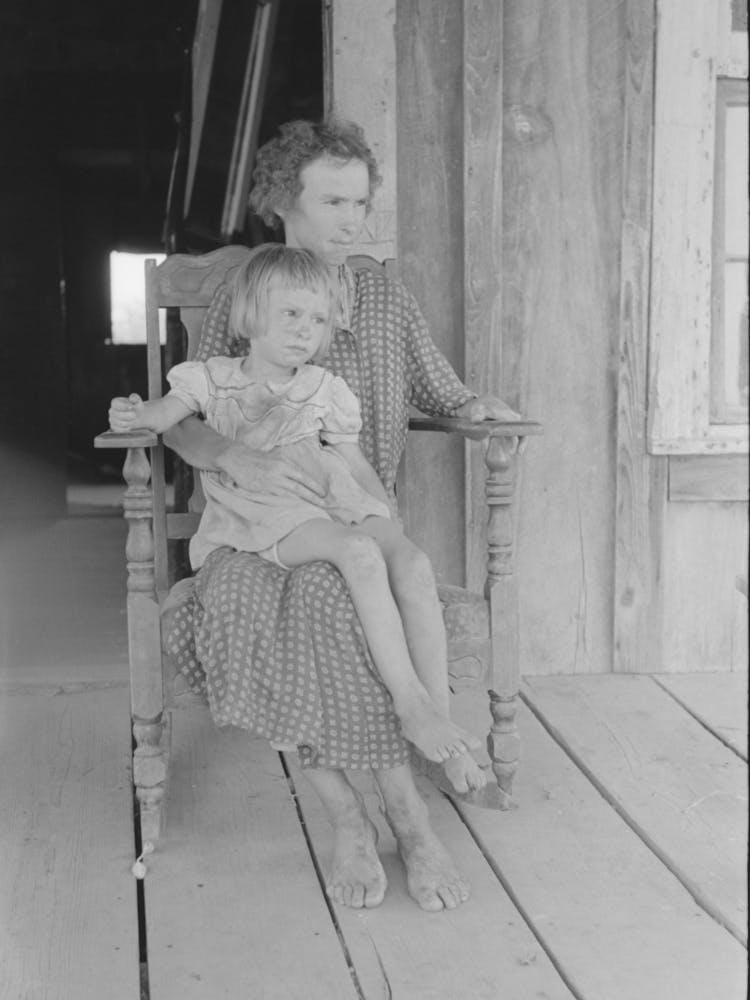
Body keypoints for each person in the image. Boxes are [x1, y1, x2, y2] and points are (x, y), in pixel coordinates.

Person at [111, 119, 517, 913]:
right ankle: (372, 819)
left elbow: (439, 385)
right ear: (280, 204)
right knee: (333, 610)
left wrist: (475, 404)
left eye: (361, 202)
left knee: (357, 589)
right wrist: (226, 454)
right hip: (255, 527)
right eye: (333, 200)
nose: (352, 220)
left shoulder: (383, 295)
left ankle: (393, 805)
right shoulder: (248, 289)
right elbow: (192, 408)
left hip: (348, 512)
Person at [109, 243, 479, 766]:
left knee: (413, 566)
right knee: (358, 553)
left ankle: (441, 726)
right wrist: (133, 413)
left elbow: (352, 463)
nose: (307, 328)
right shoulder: (212, 379)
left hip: (331, 502)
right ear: (250, 316)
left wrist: (385, 514)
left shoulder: (325, 387)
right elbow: (164, 417)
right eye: (290, 313)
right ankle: (410, 702)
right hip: (267, 514)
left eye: (319, 318)